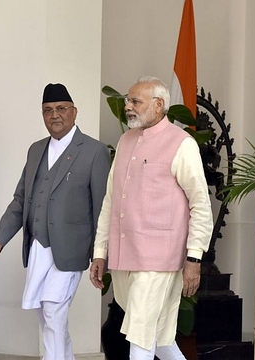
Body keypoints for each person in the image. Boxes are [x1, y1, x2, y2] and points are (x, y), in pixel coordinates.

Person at [89, 76, 213, 360]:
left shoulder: (182, 144)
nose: (128, 107)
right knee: (158, 336)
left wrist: (194, 259)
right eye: (127, 101)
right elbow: (111, 200)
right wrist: (100, 252)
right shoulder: (125, 140)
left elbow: (201, 205)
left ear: (159, 105)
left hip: (159, 258)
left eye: (135, 101)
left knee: (141, 334)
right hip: (124, 254)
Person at [0, 83, 110, 360]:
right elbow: (21, 199)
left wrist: (99, 254)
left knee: (54, 310)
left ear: (74, 112)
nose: (54, 115)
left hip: (72, 249)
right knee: (46, 314)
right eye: (48, 110)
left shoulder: (94, 151)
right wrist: (0, 236)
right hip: (38, 247)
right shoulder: (35, 150)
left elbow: (104, 205)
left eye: (61, 109)